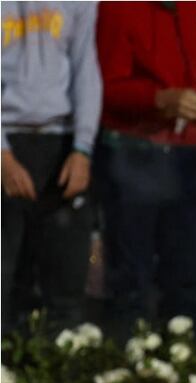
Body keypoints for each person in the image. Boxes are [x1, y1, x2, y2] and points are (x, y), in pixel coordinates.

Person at [95, 1, 196, 339]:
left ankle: (189, 359)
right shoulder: (116, 7)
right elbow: (107, 87)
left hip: (190, 153)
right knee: (131, 273)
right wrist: (158, 99)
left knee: (190, 271)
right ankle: (130, 359)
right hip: (132, 151)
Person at [1, 1, 101, 333]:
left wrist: (82, 149)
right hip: (8, 137)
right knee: (5, 281)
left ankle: (62, 362)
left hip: (62, 141)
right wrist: (3, 155)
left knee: (66, 284)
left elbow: (86, 69)